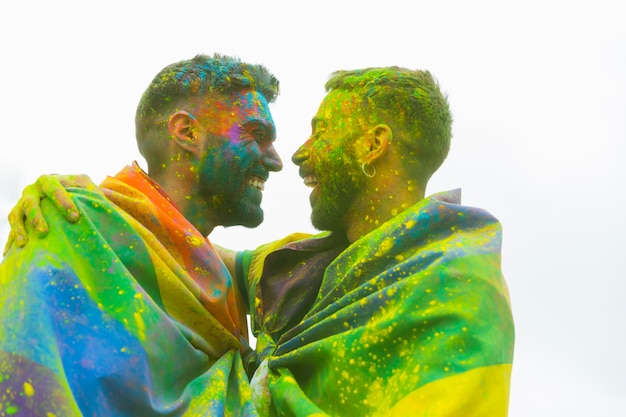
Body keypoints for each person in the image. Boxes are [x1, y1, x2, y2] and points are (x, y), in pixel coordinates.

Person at [6, 66, 515, 416]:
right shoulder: (293, 266)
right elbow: (183, 250)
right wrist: (91, 200)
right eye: (260, 135)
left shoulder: (458, 283)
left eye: (320, 131)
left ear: (373, 144)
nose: (294, 155)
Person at [0, 53, 282, 416]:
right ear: (188, 133)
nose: (275, 160)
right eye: (256, 135)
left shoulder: (230, 280)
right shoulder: (71, 229)